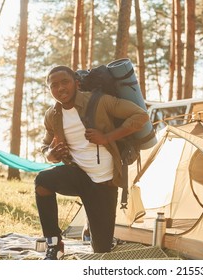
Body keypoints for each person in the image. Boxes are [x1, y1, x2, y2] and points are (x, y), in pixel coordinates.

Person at [35, 65, 149, 260]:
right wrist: (51, 154)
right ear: (50, 90)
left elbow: (141, 116)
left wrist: (107, 137)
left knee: (101, 250)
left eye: (65, 82)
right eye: (54, 85)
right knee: (42, 181)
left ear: (76, 83)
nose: (60, 88)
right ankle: (54, 243)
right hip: (79, 175)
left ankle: (95, 229)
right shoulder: (52, 115)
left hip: (104, 183)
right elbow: (45, 146)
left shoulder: (100, 102)